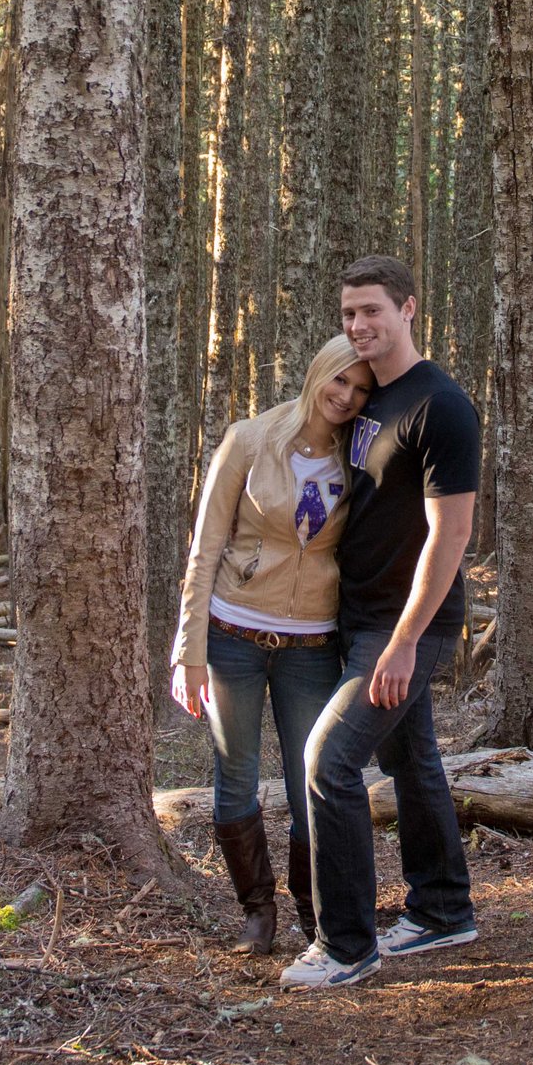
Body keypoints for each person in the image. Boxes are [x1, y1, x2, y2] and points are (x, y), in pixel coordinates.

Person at [281, 255, 480, 989]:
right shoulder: (367, 399)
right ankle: (442, 909)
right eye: (348, 315)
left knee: (328, 762)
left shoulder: (442, 406)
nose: (359, 326)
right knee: (411, 760)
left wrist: (401, 645)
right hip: (358, 615)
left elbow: (450, 536)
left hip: (405, 628)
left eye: (372, 310)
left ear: (409, 309)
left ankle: (345, 946)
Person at [171, 336, 375, 953]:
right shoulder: (249, 439)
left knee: (308, 778)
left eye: (361, 389)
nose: (346, 397)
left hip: (312, 644)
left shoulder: (359, 454)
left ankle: (314, 914)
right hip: (232, 634)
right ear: (318, 375)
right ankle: (257, 912)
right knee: (234, 774)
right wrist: (190, 650)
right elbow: (205, 549)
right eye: (339, 381)